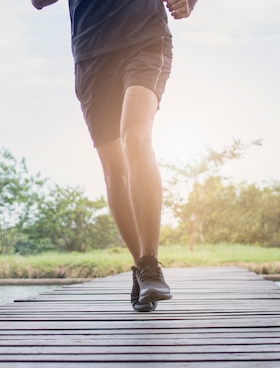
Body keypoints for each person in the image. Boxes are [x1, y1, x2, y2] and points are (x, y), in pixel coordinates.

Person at [32, 0, 197, 312]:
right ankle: (141, 268)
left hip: (144, 36)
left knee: (135, 138)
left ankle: (150, 264)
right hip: (91, 52)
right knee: (114, 171)